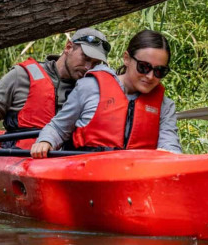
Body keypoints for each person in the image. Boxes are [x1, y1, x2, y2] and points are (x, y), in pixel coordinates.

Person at [30, 29, 181, 157]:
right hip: (85, 175)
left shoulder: (165, 106)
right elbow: (58, 128)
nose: (150, 76)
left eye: (160, 71)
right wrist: (46, 141)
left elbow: (170, 148)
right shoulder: (90, 87)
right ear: (127, 59)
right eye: (143, 67)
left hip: (135, 181)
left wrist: (170, 155)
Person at [0, 27, 110, 141]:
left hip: (66, 162)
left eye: (96, 63)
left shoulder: (92, 88)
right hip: (19, 158)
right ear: (68, 47)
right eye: (85, 58)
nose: (89, 67)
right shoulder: (20, 76)